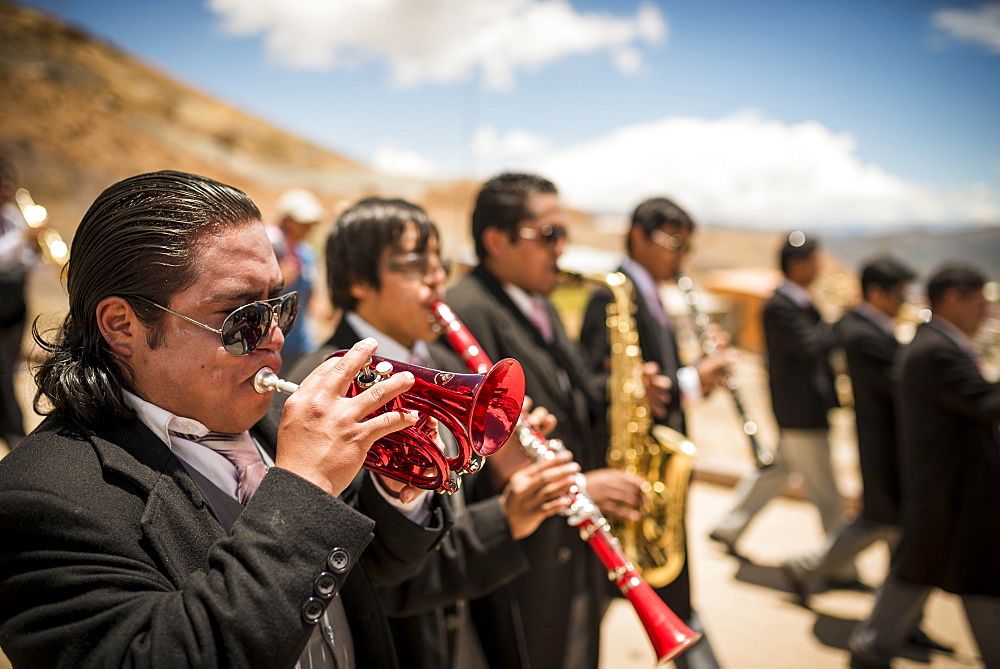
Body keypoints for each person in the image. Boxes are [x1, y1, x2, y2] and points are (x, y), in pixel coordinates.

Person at [0, 170, 455, 667]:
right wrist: (305, 486)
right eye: (241, 317)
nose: (274, 337)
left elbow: (377, 569)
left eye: (279, 307)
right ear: (122, 325)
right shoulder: (38, 499)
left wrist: (397, 492)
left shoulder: (280, 416)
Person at [287, 196, 581, 668]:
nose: (436, 279)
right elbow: (371, 561)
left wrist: (506, 467)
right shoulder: (322, 385)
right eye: (413, 265)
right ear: (359, 281)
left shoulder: (448, 365)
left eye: (439, 263)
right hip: (401, 641)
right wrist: (503, 522)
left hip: (469, 622)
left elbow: (461, 493)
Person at [447, 172, 647, 668]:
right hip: (525, 559)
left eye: (564, 233)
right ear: (497, 240)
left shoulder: (540, 300)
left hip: (566, 537)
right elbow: (486, 447)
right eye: (549, 234)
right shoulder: (468, 310)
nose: (563, 248)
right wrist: (581, 486)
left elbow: (566, 389)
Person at [579, 196, 729, 667]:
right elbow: (592, 381)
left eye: (687, 245)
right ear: (639, 237)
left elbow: (659, 378)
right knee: (645, 583)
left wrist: (697, 378)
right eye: (673, 243)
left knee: (651, 581)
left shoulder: (653, 294)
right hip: (631, 463)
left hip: (655, 459)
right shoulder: (611, 294)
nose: (682, 256)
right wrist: (690, 381)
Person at [849, 263, 1000, 669]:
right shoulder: (935, 349)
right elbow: (986, 403)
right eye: (981, 303)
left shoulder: (934, 344)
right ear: (953, 299)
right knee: (964, 582)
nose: (986, 312)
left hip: (948, 493)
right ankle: (870, 648)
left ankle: (872, 648)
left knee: (924, 575)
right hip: (948, 494)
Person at [781, 257, 917, 601]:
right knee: (879, 522)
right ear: (877, 293)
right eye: (899, 293)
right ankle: (810, 568)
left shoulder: (868, 328)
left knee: (883, 524)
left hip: (884, 441)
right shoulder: (862, 332)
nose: (904, 301)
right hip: (880, 443)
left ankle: (810, 568)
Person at [709, 233, 848, 570]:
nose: (819, 268)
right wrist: (846, 319)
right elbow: (812, 346)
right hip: (800, 412)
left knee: (776, 473)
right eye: (814, 261)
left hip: (802, 410)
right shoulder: (780, 306)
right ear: (798, 265)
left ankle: (728, 528)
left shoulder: (799, 302)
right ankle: (842, 563)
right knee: (827, 494)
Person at [0, 158, 43, 450]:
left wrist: (36, 247)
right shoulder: (17, 228)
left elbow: (32, 267)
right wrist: (23, 239)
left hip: (14, 309)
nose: (6, 190)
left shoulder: (14, 218)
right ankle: (15, 435)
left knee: (8, 370)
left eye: (8, 183)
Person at [268, 188, 323, 370]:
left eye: (311, 223)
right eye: (302, 223)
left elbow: (310, 293)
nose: (308, 228)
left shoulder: (307, 254)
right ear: (286, 220)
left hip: (301, 341)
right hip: (272, 341)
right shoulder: (270, 249)